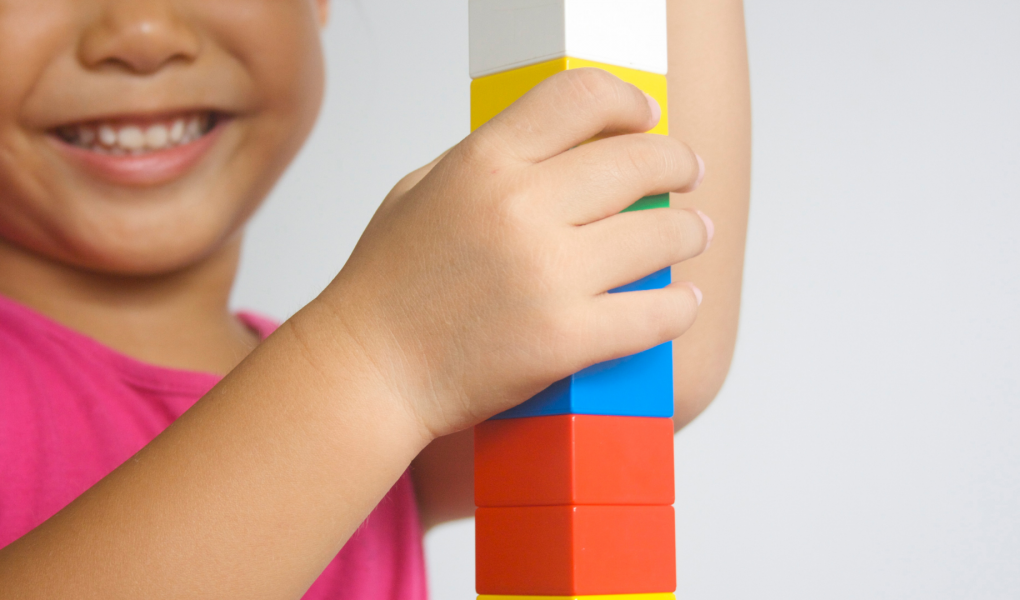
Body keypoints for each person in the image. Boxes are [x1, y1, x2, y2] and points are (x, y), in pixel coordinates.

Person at [0, 0, 750, 597]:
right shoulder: (378, 385)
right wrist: (379, 360)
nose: (142, 31)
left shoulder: (386, 431)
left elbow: (651, 348)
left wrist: (391, 364)